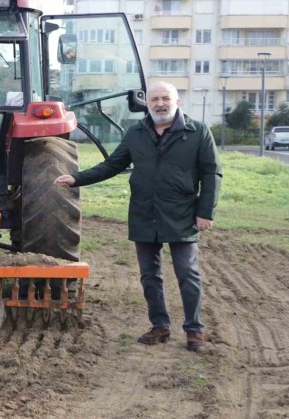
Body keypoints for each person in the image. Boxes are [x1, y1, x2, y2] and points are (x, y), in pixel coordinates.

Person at [53, 81, 222, 352]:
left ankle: (194, 329)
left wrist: (205, 211)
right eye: (154, 99)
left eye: (165, 98)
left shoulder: (197, 132)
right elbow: (112, 165)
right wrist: (76, 178)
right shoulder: (137, 132)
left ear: (177, 102)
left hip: (182, 214)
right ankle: (160, 325)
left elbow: (211, 174)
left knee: (188, 273)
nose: (159, 103)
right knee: (149, 275)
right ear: (147, 104)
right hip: (144, 213)